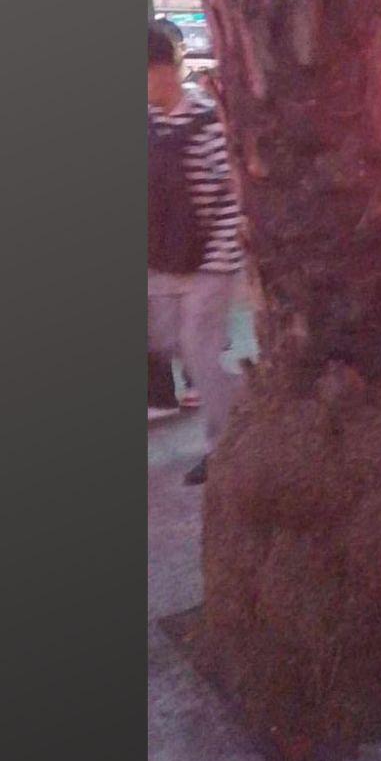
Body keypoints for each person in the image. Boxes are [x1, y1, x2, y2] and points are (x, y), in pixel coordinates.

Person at [147, 25, 244, 487]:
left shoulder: (205, 122)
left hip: (208, 263)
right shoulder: (150, 121)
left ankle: (223, 446)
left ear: (163, 71)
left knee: (199, 357)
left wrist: (219, 262)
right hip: (164, 262)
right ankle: (245, 398)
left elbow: (233, 197)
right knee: (163, 341)